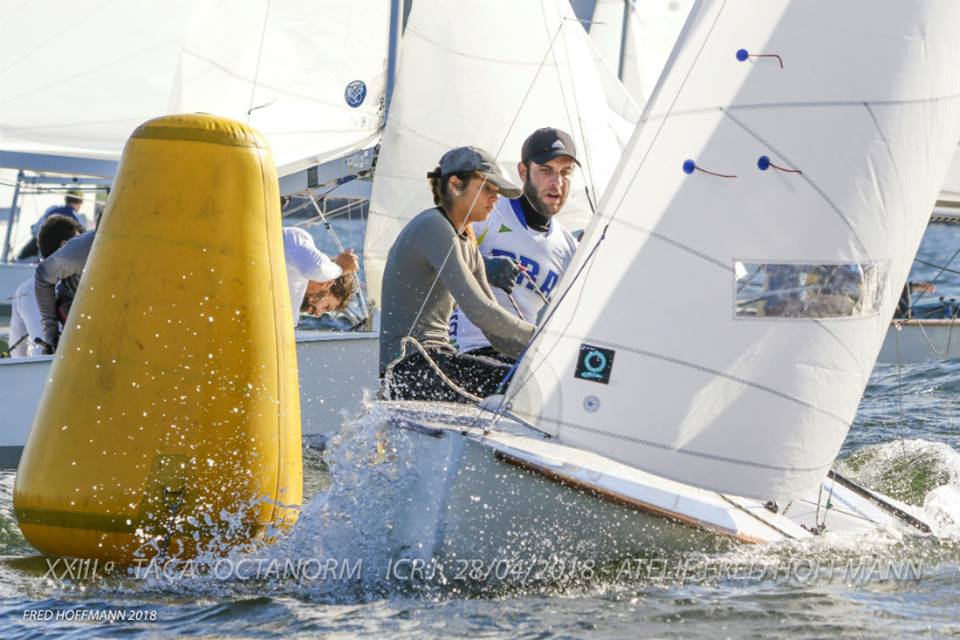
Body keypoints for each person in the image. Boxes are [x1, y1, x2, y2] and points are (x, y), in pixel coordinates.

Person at [379, 145, 535, 402]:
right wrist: (544, 338)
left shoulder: (468, 242)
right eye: (487, 188)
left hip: (437, 360)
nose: (495, 198)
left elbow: (496, 335)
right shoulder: (433, 226)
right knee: (519, 386)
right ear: (454, 185)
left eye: (497, 192)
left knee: (528, 378)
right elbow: (480, 311)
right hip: (408, 369)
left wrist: (542, 359)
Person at [450, 127, 580, 361]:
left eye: (566, 172)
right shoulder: (487, 211)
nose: (557, 182)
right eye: (546, 170)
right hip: (468, 350)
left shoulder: (570, 249)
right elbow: (438, 258)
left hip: (520, 360)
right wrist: (483, 266)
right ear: (523, 171)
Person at [8, 215, 84, 357]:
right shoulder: (82, 284)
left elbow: (17, 352)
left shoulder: (23, 290)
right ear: (64, 246)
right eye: (79, 244)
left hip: (39, 365)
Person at [282, 225, 359, 327]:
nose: (318, 314)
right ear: (328, 283)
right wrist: (340, 268)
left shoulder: (292, 311)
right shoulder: (299, 237)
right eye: (327, 307)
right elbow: (316, 268)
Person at [16, 189, 89, 261]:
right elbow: (84, 240)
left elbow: (35, 231)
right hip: (67, 258)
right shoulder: (80, 219)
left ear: (66, 199)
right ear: (80, 203)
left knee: (21, 258)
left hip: (45, 257)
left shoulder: (52, 210)